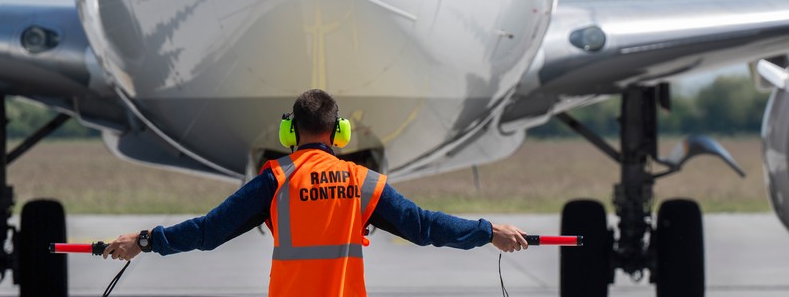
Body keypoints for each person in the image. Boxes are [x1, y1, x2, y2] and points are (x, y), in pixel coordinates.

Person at [103, 89, 529, 296]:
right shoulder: (363, 181)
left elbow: (206, 232)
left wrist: (144, 241)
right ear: (338, 133)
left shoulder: (275, 179)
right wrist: (488, 231)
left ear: (291, 131)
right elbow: (424, 227)